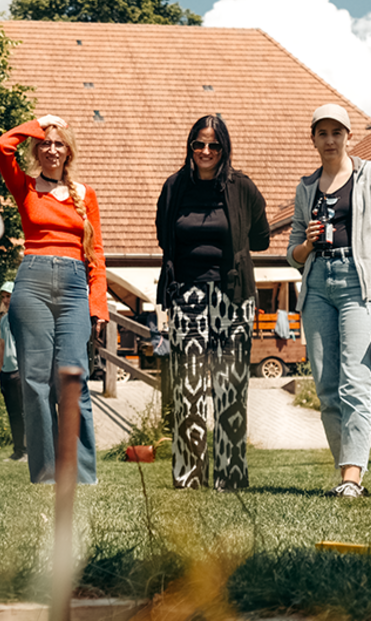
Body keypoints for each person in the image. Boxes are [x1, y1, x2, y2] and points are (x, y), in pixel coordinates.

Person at [287, 104, 371, 499]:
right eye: (323, 133)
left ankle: (352, 477)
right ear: (314, 139)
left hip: (358, 284)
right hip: (317, 283)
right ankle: (345, 475)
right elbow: (293, 254)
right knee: (327, 386)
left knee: (356, 381)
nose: (330, 140)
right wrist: (307, 242)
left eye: (337, 132)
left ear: (348, 136)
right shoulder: (306, 187)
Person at [155, 115, 269, 490]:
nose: (205, 152)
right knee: (189, 390)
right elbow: (164, 237)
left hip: (233, 297)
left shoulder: (242, 188)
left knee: (231, 389)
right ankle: (189, 476)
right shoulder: (174, 188)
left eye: (214, 145)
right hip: (187, 295)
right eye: (199, 144)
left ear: (224, 149)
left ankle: (230, 477)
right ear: (190, 147)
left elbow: (261, 238)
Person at [0, 114, 107, 485]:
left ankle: (82, 474)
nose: (52, 149)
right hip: (33, 284)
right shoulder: (24, 186)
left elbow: (97, 254)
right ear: (36, 150)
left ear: (68, 150)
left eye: (58, 143)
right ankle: (44, 474)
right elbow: (1, 146)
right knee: (35, 381)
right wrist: (39, 122)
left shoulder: (85, 194)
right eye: (45, 143)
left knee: (72, 380)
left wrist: (98, 304)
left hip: (75, 287)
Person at [0, 280, 26, 461]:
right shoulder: (4, 320)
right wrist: (0, 370)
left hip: (20, 370)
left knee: (24, 412)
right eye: (4, 296)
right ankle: (18, 450)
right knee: (13, 413)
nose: (6, 300)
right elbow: (2, 345)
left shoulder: (24, 317)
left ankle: (29, 451)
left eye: (9, 296)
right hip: (7, 372)